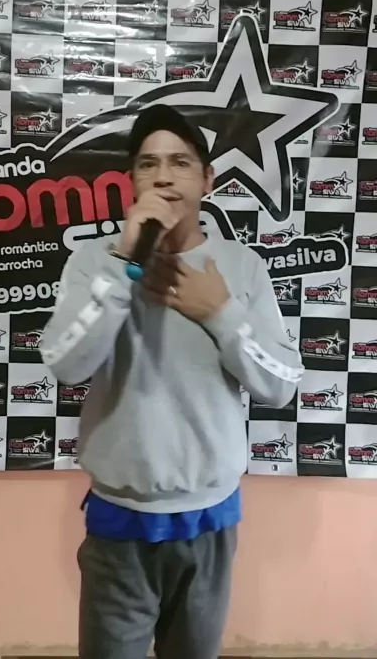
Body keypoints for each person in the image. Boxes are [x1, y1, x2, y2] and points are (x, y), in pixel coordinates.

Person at [41, 104, 303, 659]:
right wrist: (125, 262)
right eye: (147, 164)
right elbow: (66, 363)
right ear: (132, 181)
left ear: (207, 180)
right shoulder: (95, 260)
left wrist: (221, 313)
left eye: (180, 162)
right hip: (119, 523)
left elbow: (281, 384)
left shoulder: (242, 266)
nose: (163, 176)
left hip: (210, 520)